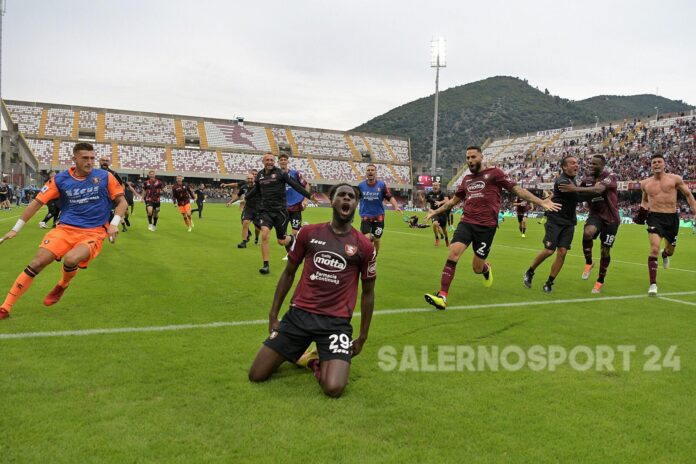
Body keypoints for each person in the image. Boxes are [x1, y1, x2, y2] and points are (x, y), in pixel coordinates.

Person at [248, 183, 376, 398]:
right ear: (332, 200)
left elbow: (368, 292)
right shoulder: (309, 233)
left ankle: (315, 361)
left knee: (333, 388)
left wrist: (363, 336)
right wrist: (273, 314)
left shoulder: (364, 246)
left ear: (356, 204)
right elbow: (288, 273)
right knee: (257, 374)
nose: (346, 199)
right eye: (341, 195)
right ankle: (304, 354)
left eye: (351, 196)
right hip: (298, 317)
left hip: (336, 323)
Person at [423, 146, 560, 310]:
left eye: (473, 157)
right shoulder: (466, 180)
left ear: (481, 157)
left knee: (477, 268)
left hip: (486, 227)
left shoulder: (495, 174)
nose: (470, 160)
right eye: (467, 158)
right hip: (466, 222)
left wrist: (540, 202)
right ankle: (442, 296)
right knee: (453, 254)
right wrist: (435, 212)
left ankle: (486, 268)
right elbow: (452, 202)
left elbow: (517, 190)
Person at [0, 142, 126, 320]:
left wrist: (114, 223)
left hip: (94, 231)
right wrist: (15, 229)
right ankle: (5, 307)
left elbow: (122, 203)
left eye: (92, 158)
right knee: (37, 262)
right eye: (85, 158)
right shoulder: (60, 180)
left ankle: (63, 284)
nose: (90, 162)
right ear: (74, 159)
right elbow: (37, 203)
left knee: (71, 258)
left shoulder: (105, 177)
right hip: (65, 229)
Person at [634, 154, 696, 296]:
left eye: (659, 162)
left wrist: (695, 210)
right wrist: (642, 211)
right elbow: (644, 200)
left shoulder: (675, 179)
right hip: (654, 217)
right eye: (654, 162)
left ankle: (665, 254)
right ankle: (653, 284)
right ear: (650, 165)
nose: (656, 164)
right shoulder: (645, 183)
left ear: (664, 164)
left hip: (672, 218)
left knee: (670, 251)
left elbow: (688, 194)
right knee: (654, 249)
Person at [558, 154, 619, 293]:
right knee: (587, 233)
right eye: (590, 163)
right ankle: (589, 262)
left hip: (611, 219)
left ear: (602, 166)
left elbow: (599, 189)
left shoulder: (611, 176)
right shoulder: (587, 180)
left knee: (605, 251)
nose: (591, 166)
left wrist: (574, 189)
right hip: (595, 215)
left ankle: (600, 281)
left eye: (594, 164)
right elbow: (578, 197)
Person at [245, 153, 313, 274]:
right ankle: (265, 265)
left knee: (281, 241)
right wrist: (247, 196)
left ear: (274, 162)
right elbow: (257, 189)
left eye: (272, 160)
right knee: (264, 235)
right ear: (263, 161)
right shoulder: (260, 175)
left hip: (281, 211)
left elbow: (295, 185)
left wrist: (309, 196)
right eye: (267, 160)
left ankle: (291, 240)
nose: (270, 162)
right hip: (266, 211)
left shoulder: (281, 173)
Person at [523, 156, 579, 293]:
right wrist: (597, 188)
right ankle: (530, 272)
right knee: (549, 250)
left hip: (569, 221)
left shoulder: (572, 180)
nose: (576, 165)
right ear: (564, 167)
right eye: (572, 163)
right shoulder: (562, 180)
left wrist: (549, 198)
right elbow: (579, 194)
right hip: (555, 220)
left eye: (577, 163)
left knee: (563, 252)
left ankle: (549, 282)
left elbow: (558, 193)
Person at [357, 164, 403, 254]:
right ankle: (368, 255)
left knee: (376, 239)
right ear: (366, 173)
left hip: (379, 217)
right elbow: (355, 199)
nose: (370, 171)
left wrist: (396, 206)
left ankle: (375, 255)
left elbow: (390, 197)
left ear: (375, 172)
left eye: (372, 170)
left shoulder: (381, 185)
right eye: (368, 170)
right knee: (367, 238)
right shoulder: (361, 186)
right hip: (365, 217)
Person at [278, 153, 311, 237]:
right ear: (278, 162)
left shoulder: (295, 173)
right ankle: (303, 228)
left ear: (287, 161)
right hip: (282, 208)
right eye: (281, 160)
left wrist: (305, 200)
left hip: (295, 207)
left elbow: (306, 185)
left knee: (295, 233)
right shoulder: (276, 175)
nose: (283, 161)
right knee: (282, 235)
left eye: (285, 160)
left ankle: (300, 231)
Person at [424, 182, 449, 246]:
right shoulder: (429, 194)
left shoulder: (442, 193)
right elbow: (424, 201)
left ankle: (446, 238)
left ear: (439, 186)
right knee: (435, 224)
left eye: (436, 185)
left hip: (442, 213)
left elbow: (447, 201)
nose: (435, 186)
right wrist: (428, 209)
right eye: (434, 185)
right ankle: (437, 238)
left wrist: (440, 202)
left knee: (444, 230)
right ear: (432, 186)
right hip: (434, 212)